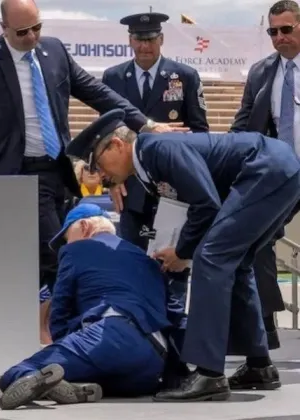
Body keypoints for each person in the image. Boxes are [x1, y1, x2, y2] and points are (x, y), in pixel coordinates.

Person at [0, 0, 186, 345]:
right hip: (12, 176)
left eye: (37, 27)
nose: (32, 36)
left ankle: (50, 333)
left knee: (55, 256)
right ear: (3, 28)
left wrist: (146, 124)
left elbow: (98, 94)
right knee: (59, 257)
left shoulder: (54, 52)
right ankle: (65, 338)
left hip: (57, 171)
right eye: (22, 31)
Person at [66, 108, 300, 401]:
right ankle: (259, 366)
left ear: (116, 145)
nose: (100, 174)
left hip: (267, 169)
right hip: (277, 169)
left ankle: (209, 374)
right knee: (235, 262)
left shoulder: (157, 148)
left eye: (98, 163)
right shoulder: (147, 166)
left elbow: (206, 204)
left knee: (211, 258)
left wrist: (182, 251)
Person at [102, 12, 208, 355]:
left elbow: (200, 132)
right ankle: (139, 337)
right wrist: (110, 181)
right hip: (131, 189)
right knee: (133, 261)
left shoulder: (184, 76)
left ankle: (175, 345)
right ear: (129, 40)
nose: (144, 45)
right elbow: (105, 137)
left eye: (150, 38)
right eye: (138, 38)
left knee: (173, 265)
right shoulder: (113, 77)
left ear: (161, 40)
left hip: (175, 190)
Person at [0, 204, 169, 410]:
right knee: (104, 378)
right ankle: (76, 387)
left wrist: (63, 347)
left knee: (16, 374)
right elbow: (173, 313)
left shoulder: (75, 250)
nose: (66, 243)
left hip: (109, 335)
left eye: (67, 237)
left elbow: (60, 310)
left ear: (85, 226)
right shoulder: (146, 259)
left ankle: (48, 383)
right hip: (154, 357)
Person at [230, 0, 300, 350]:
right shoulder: (260, 72)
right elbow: (244, 124)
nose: (279, 37)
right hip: (282, 174)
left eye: (286, 29)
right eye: (273, 31)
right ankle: (266, 327)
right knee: (258, 241)